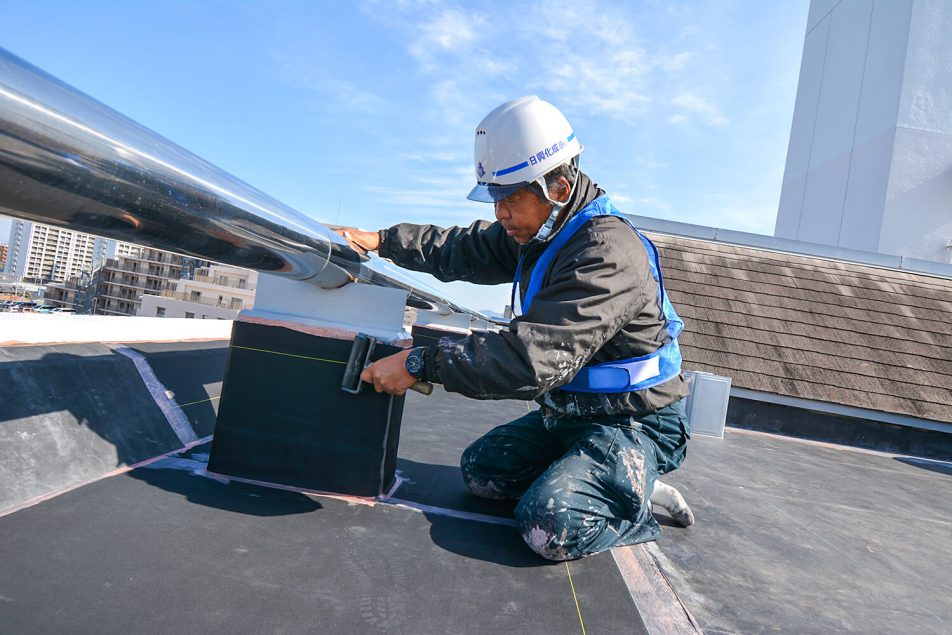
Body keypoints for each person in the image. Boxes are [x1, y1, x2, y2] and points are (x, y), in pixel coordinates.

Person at [335, 96, 693, 561]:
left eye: (512, 197)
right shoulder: (542, 230)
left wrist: (420, 362)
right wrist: (382, 241)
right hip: (571, 413)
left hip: (634, 420)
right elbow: (462, 248)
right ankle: (597, 475)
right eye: (495, 198)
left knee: (550, 523)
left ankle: (633, 492)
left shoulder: (607, 254)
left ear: (559, 187)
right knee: (483, 473)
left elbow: (531, 359)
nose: (501, 213)